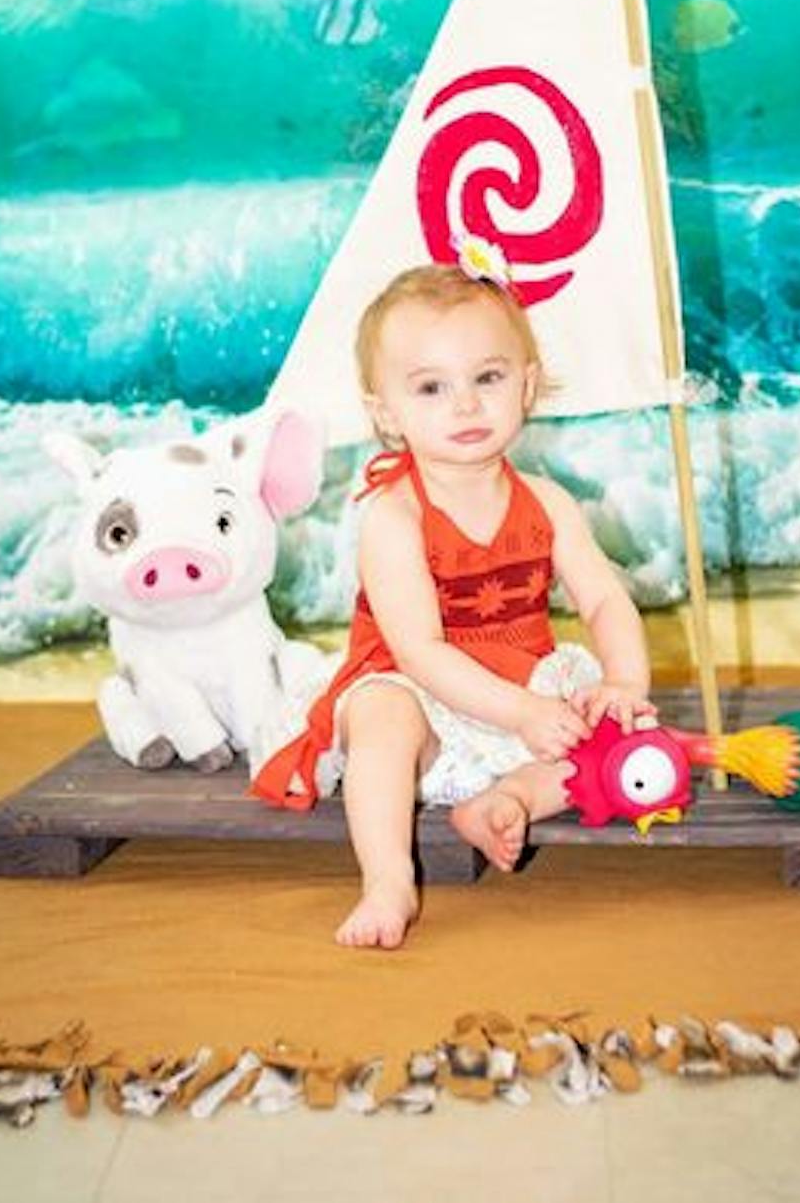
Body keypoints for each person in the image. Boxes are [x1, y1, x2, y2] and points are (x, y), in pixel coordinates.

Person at [252, 244, 654, 949]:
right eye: (431, 387)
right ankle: (387, 881)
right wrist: (522, 713)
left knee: (622, 737)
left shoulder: (550, 504)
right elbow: (419, 651)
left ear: (527, 385)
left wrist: (623, 683)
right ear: (385, 412)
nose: (465, 403)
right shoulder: (394, 516)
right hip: (421, 691)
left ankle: (508, 800)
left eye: (487, 377)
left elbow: (602, 601)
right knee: (382, 717)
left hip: (521, 685)